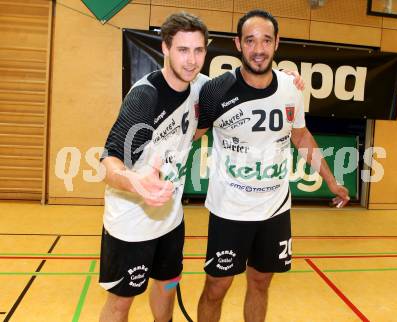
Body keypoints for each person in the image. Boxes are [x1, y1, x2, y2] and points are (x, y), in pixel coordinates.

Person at [194, 9, 350, 322]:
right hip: (230, 210)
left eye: (266, 40)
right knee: (216, 285)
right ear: (238, 44)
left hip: (274, 209)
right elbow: (191, 136)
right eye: (250, 41)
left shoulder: (291, 88)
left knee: (261, 281)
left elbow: (301, 136)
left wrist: (331, 180)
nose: (259, 49)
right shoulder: (217, 90)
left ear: (277, 43)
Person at [98, 12, 209, 322]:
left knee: (169, 284)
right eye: (182, 50)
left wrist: (286, 79)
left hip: (171, 220)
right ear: (165, 48)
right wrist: (136, 182)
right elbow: (108, 162)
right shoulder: (145, 95)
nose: (191, 60)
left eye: (198, 50)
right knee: (121, 303)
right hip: (131, 223)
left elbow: (243, 83)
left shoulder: (200, 85)